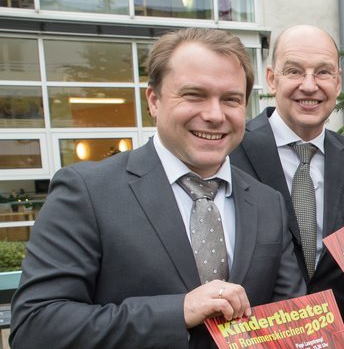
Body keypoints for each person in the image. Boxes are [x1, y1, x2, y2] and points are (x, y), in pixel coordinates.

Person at [10, 28, 306, 348]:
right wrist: (177, 311)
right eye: (194, 95)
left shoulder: (267, 203)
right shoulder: (87, 193)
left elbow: (294, 323)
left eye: (230, 99)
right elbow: (35, 327)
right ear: (153, 100)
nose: (214, 115)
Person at [229, 24, 344, 346]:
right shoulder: (229, 153)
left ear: (338, 82)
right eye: (294, 71)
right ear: (272, 78)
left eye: (323, 72)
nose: (309, 85)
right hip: (255, 338)